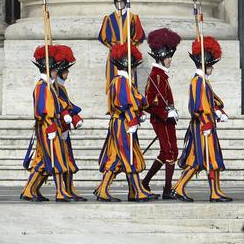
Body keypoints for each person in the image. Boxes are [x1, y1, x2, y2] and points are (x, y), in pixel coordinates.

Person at [95, 43, 156, 202]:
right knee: (130, 156)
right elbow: (124, 103)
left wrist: (140, 112)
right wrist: (133, 119)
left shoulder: (124, 81)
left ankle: (105, 190)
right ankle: (137, 191)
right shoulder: (121, 81)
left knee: (116, 158)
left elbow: (135, 100)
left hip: (123, 122)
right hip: (123, 123)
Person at [172, 36, 230, 202]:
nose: (212, 68)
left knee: (209, 158)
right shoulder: (198, 82)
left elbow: (210, 102)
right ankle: (181, 188)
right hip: (203, 126)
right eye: (211, 65)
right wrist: (206, 123)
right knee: (202, 159)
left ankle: (213, 191)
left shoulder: (203, 81)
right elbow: (197, 106)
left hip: (207, 125)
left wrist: (218, 111)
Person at [20, 45, 76, 202]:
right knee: (56, 157)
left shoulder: (49, 86)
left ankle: (29, 191)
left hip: (52, 125)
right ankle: (59, 192)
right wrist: (51, 126)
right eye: (54, 69)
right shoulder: (42, 86)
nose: (56, 71)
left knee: (46, 160)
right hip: (48, 126)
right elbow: (41, 109)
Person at [142, 27, 182, 198]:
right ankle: (166, 190)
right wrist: (166, 114)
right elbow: (149, 103)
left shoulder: (161, 75)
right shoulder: (156, 76)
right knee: (171, 152)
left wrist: (172, 110)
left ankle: (145, 182)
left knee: (166, 152)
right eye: (168, 57)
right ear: (160, 57)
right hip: (161, 120)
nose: (170, 60)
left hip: (166, 120)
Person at [98, 0, 145, 88]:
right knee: (114, 82)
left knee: (129, 83)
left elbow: (139, 35)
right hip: (115, 55)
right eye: (117, 2)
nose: (119, 4)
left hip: (128, 54)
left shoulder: (132, 17)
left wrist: (129, 46)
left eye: (121, 2)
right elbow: (103, 37)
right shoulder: (109, 18)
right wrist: (115, 47)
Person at [53, 45, 86, 200]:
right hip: (57, 128)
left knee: (68, 159)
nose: (68, 73)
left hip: (64, 128)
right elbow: (60, 106)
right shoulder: (55, 87)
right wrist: (70, 117)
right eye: (66, 70)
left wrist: (74, 118)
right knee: (59, 160)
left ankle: (69, 189)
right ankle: (61, 191)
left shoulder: (60, 87)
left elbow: (68, 105)